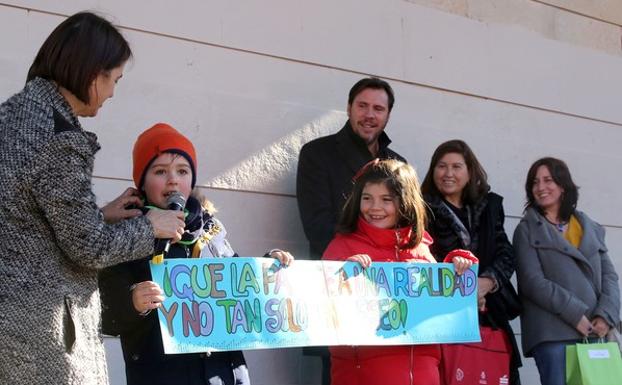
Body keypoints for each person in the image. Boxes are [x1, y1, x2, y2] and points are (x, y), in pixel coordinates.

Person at [0, 12, 186, 385]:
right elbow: (90, 248)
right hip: (41, 334)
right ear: (91, 72)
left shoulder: (17, 116)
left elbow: (26, 222)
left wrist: (100, 215)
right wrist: (150, 227)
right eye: (114, 79)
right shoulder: (58, 136)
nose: (113, 92)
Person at [98, 123, 293, 385]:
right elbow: (104, 316)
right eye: (160, 171)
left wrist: (269, 267)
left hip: (225, 374)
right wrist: (133, 301)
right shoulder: (125, 233)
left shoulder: (212, 229)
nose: (173, 179)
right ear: (141, 183)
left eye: (182, 170)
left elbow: (242, 289)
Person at [322, 159, 477, 385]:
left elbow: (441, 311)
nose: (375, 207)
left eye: (386, 200)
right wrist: (342, 276)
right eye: (367, 198)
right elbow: (321, 308)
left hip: (424, 372)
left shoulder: (421, 249)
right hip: (362, 373)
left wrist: (456, 269)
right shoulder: (342, 248)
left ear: (406, 203)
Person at [296, 77, 406, 383]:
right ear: (348, 108)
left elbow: (408, 229)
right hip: (338, 289)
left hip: (391, 298)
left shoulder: (399, 164)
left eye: (378, 108)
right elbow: (317, 226)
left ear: (387, 115)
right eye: (362, 106)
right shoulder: (317, 154)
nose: (370, 114)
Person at [420, 140, 522, 384]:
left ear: (469, 172)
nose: (448, 173)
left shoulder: (489, 206)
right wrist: (464, 292)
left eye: (457, 166)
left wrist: (486, 283)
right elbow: (422, 259)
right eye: (441, 166)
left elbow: (506, 253)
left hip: (490, 316)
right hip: (444, 319)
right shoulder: (421, 209)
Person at [513, 157, 620, 385]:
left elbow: (610, 275)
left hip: (596, 331)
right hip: (554, 335)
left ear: (563, 185)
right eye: (535, 182)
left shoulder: (589, 226)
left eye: (548, 180)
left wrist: (606, 315)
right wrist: (574, 314)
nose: (541, 187)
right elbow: (532, 281)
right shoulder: (526, 230)